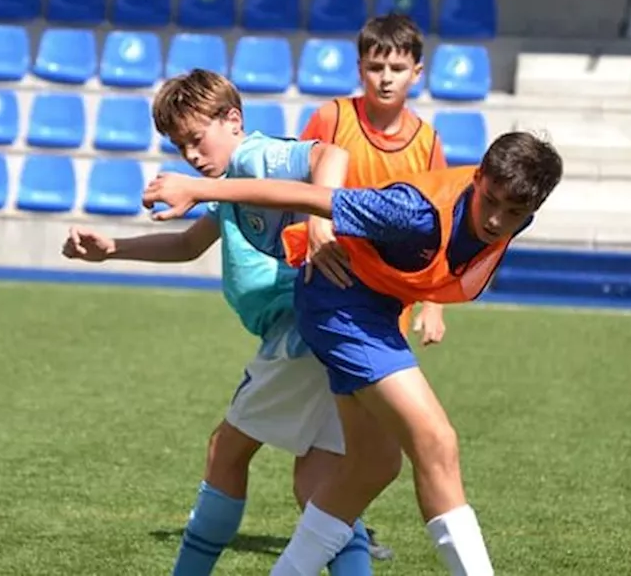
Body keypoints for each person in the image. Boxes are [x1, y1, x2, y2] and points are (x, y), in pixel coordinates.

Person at [143, 130, 565, 575]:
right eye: (490, 201)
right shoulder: (412, 213)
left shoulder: (515, 209)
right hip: (338, 307)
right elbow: (308, 196)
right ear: (478, 178)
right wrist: (198, 188)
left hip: (373, 313)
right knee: (437, 443)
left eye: (514, 212)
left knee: (373, 465)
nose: (497, 221)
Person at [61, 70, 373, 575]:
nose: (190, 154)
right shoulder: (232, 186)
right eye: (179, 145)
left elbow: (330, 155)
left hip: (302, 331)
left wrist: (321, 216)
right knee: (319, 483)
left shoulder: (255, 155)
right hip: (329, 328)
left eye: (195, 138)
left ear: (233, 120)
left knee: (225, 450)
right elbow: (188, 243)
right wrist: (113, 249)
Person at [299, 13, 448, 347]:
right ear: (359, 69)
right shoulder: (332, 118)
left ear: (416, 73)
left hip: (391, 288)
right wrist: (313, 227)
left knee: (372, 387)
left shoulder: (427, 142)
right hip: (331, 272)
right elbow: (295, 184)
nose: (385, 79)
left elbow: (439, 226)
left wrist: (434, 303)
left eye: (397, 69)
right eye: (375, 67)